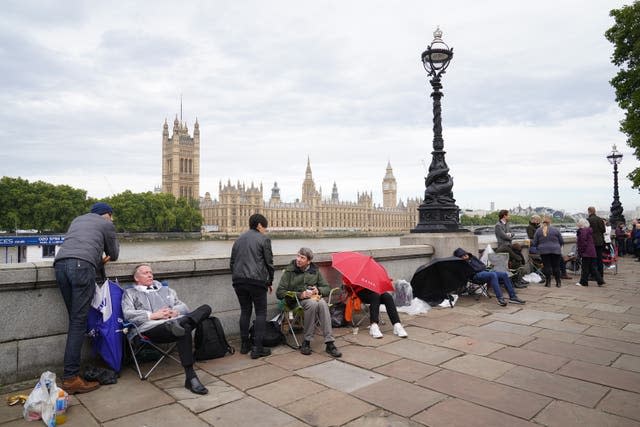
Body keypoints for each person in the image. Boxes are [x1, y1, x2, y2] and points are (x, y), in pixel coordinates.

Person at [53, 202, 119, 394]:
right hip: (82, 268)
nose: (112, 219)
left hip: (60, 266)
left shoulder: (77, 220)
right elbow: (113, 253)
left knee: (75, 320)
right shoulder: (106, 224)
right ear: (106, 215)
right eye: (111, 216)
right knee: (78, 323)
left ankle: (71, 373)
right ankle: (71, 378)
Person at [122, 264, 212, 394]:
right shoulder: (130, 293)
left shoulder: (166, 290)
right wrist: (152, 315)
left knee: (206, 308)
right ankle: (191, 377)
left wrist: (174, 312)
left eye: (151, 272)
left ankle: (181, 323)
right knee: (184, 327)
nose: (150, 275)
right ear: (136, 278)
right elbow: (127, 314)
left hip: (174, 322)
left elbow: (183, 307)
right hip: (152, 328)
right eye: (145, 273)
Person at [276, 248, 342, 357]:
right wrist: (300, 294)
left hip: (313, 299)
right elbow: (280, 293)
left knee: (322, 303)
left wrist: (318, 290)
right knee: (313, 304)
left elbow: (327, 288)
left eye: (302, 258)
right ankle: (306, 341)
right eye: (298, 256)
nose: (298, 259)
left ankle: (330, 343)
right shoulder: (289, 271)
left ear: (309, 261)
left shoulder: (315, 271)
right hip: (295, 302)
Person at [230, 213, 274, 359]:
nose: (265, 230)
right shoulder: (264, 239)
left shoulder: (238, 239)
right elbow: (269, 263)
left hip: (239, 281)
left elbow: (232, 262)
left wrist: (237, 277)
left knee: (245, 311)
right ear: (259, 225)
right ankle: (258, 348)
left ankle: (244, 345)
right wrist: (270, 280)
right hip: (256, 281)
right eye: (265, 227)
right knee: (261, 312)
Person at [454, 248, 525, 307]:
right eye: (462, 256)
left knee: (504, 274)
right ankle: (500, 299)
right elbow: (471, 272)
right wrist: (479, 268)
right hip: (475, 276)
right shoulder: (461, 263)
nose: (464, 256)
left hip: (484, 272)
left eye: (465, 254)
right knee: (492, 275)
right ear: (459, 257)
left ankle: (513, 297)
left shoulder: (473, 258)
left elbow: (482, 265)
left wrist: (480, 268)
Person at [344, 277, 408, 339]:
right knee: (375, 296)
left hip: (374, 288)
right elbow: (347, 284)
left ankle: (397, 324)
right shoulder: (353, 268)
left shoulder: (370, 268)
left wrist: (385, 281)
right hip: (361, 291)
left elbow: (378, 278)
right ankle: (374, 325)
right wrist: (362, 281)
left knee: (387, 297)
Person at [494, 210, 527, 287]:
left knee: (517, 259)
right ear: (504, 216)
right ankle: (516, 282)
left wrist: (509, 235)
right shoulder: (498, 225)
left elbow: (512, 234)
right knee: (517, 259)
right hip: (503, 247)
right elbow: (504, 236)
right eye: (508, 215)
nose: (509, 216)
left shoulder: (507, 224)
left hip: (509, 246)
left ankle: (518, 279)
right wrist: (509, 236)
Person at [533, 216, 564, 287]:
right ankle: (558, 283)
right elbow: (561, 241)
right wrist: (557, 246)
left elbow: (534, 242)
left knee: (547, 266)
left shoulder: (538, 230)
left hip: (544, 251)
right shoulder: (556, 230)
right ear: (550, 222)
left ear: (542, 222)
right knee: (556, 267)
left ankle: (548, 283)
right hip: (556, 250)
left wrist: (540, 246)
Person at [575, 218, 605, 287]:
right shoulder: (588, 230)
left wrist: (581, 252)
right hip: (592, 251)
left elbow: (582, 243)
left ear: (581, 224)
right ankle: (600, 280)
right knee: (592, 267)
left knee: (585, 268)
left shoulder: (582, 231)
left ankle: (583, 282)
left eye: (578, 222)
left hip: (586, 252)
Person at [587, 206, 606, 278]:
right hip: (600, 241)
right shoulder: (600, 219)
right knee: (599, 259)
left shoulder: (588, 220)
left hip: (592, 242)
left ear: (589, 211)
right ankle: (600, 275)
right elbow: (603, 230)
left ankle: (593, 275)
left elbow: (587, 232)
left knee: (592, 260)